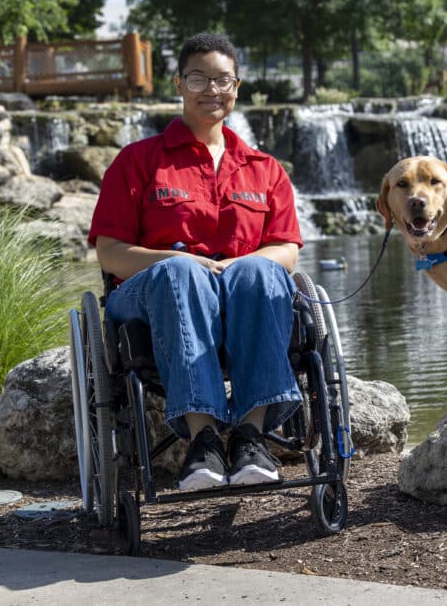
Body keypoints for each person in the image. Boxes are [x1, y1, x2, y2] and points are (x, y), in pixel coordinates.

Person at [87, 33, 303, 491]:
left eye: (222, 80)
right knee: (182, 272)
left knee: (262, 270)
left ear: (237, 87)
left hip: (242, 292)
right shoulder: (138, 161)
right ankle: (203, 441)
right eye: (199, 79)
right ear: (179, 84)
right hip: (153, 299)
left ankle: (250, 436)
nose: (212, 90)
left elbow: (286, 249)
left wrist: (240, 264)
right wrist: (172, 261)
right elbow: (110, 253)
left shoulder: (264, 168)